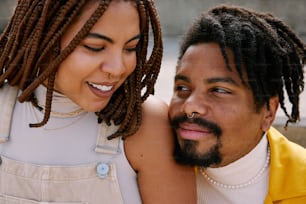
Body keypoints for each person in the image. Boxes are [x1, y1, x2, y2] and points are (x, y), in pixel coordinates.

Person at [0, 0, 196, 203]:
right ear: (42, 36)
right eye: (95, 47)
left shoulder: (145, 125)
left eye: (131, 48)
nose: (117, 68)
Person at [168, 4, 306, 204]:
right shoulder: (150, 164)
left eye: (219, 90)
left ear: (269, 111)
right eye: (182, 88)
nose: (190, 106)